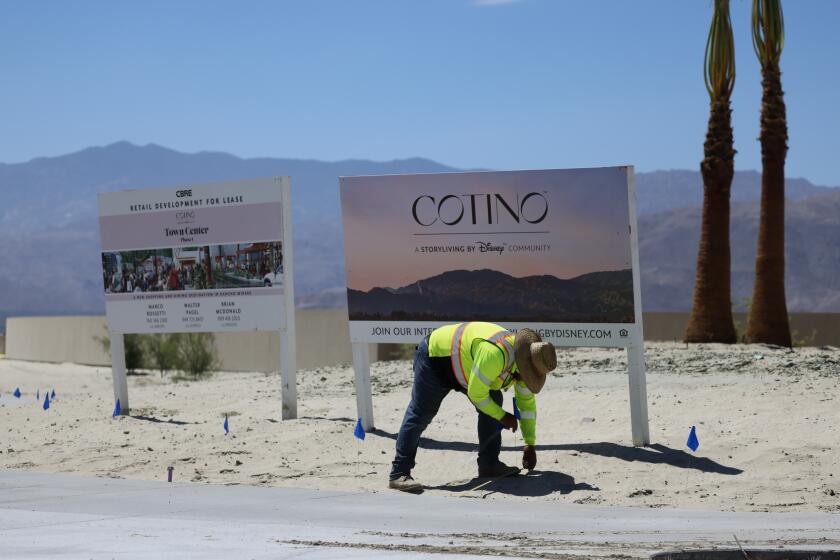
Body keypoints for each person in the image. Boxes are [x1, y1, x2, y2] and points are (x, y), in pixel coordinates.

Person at [388, 321, 557, 493]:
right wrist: (502, 416)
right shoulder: (495, 354)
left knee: (494, 400)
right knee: (420, 414)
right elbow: (477, 395)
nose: (527, 380)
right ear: (523, 366)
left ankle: (489, 465)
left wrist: (530, 444)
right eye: (528, 375)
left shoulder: (525, 366)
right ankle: (398, 473)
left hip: (467, 367)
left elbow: (526, 406)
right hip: (436, 359)